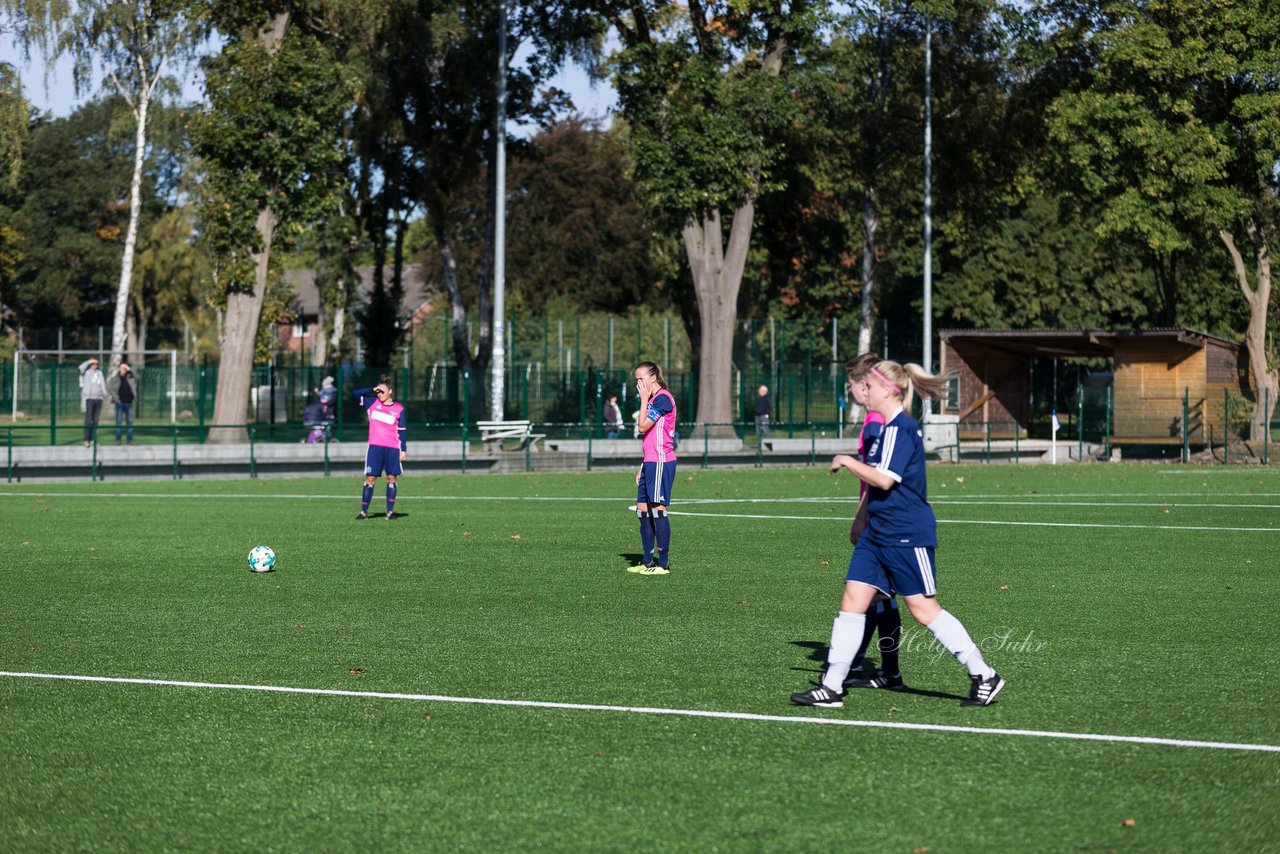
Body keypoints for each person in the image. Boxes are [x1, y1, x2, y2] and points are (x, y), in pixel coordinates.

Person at [791, 359, 1004, 708]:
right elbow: (876, 486)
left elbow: (885, 479)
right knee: (852, 601)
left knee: (922, 608)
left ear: (888, 390)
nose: (864, 392)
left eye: (869, 387)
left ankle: (984, 674)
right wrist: (861, 519)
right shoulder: (885, 428)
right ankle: (832, 685)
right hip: (879, 532)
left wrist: (845, 460)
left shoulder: (900, 430)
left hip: (906, 533)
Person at [840, 352, 904, 691]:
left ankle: (852, 667)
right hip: (879, 516)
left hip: (880, 519)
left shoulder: (876, 424)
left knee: (864, 594)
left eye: (851, 383)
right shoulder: (875, 421)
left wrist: (861, 518)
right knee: (879, 596)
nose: (850, 390)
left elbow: (880, 476)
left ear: (865, 385)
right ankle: (888, 671)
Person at [629, 361, 677, 576]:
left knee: (658, 511)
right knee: (642, 511)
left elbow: (642, 427)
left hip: (661, 462)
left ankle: (663, 564)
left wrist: (643, 400)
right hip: (650, 462)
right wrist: (642, 465)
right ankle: (648, 561)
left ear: (653, 378)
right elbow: (650, 436)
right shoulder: (654, 400)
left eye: (641, 379)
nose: (638, 383)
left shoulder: (663, 398)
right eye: (636, 380)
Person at [352, 380, 406, 520]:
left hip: (392, 448)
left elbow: (402, 431)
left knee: (392, 478)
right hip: (375, 447)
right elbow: (355, 393)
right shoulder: (372, 403)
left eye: (382, 391)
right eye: (378, 391)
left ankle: (390, 512)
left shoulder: (399, 409)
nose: (380, 394)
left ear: (390, 391)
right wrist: (373, 388)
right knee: (370, 478)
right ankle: (364, 512)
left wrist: (403, 449)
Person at [78, 357, 108, 447]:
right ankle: (86, 439)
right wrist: (88, 361)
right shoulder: (86, 373)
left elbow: (102, 385)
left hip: (98, 399)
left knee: (95, 420)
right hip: (89, 399)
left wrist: (104, 395)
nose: (95, 365)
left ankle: (93, 439)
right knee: (88, 419)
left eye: (96, 364)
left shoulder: (100, 373)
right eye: (93, 363)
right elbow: (80, 369)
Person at [107, 361, 137, 445]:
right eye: (122, 368)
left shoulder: (130, 376)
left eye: (125, 368)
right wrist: (116, 399)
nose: (123, 370)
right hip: (120, 403)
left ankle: (130, 440)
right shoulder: (115, 378)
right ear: (119, 368)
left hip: (129, 402)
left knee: (130, 422)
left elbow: (138, 377)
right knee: (119, 422)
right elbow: (110, 388)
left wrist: (130, 369)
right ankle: (118, 440)